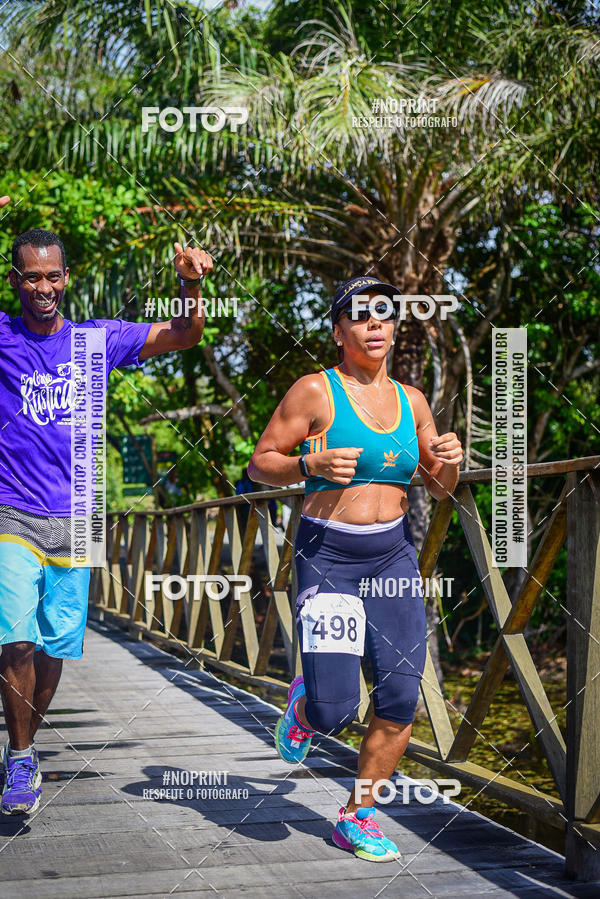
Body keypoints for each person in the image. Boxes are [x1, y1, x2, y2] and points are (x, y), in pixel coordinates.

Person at [0, 193, 213, 815]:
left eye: (52, 275)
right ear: (15, 279)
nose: (42, 286)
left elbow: (185, 333)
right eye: (30, 275)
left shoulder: (97, 340)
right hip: (10, 509)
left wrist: (189, 284)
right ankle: (18, 757)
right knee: (12, 638)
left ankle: (25, 749)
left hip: (80, 513)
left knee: (54, 647)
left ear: (66, 279)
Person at [248, 276, 463, 862]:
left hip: (391, 557)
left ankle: (357, 814)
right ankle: (306, 705)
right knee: (336, 710)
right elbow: (259, 464)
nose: (375, 324)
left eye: (385, 315)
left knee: (399, 697)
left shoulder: (412, 400)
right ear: (339, 329)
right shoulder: (315, 392)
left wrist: (449, 461)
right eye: (360, 315)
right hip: (329, 556)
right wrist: (308, 462)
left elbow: (439, 491)